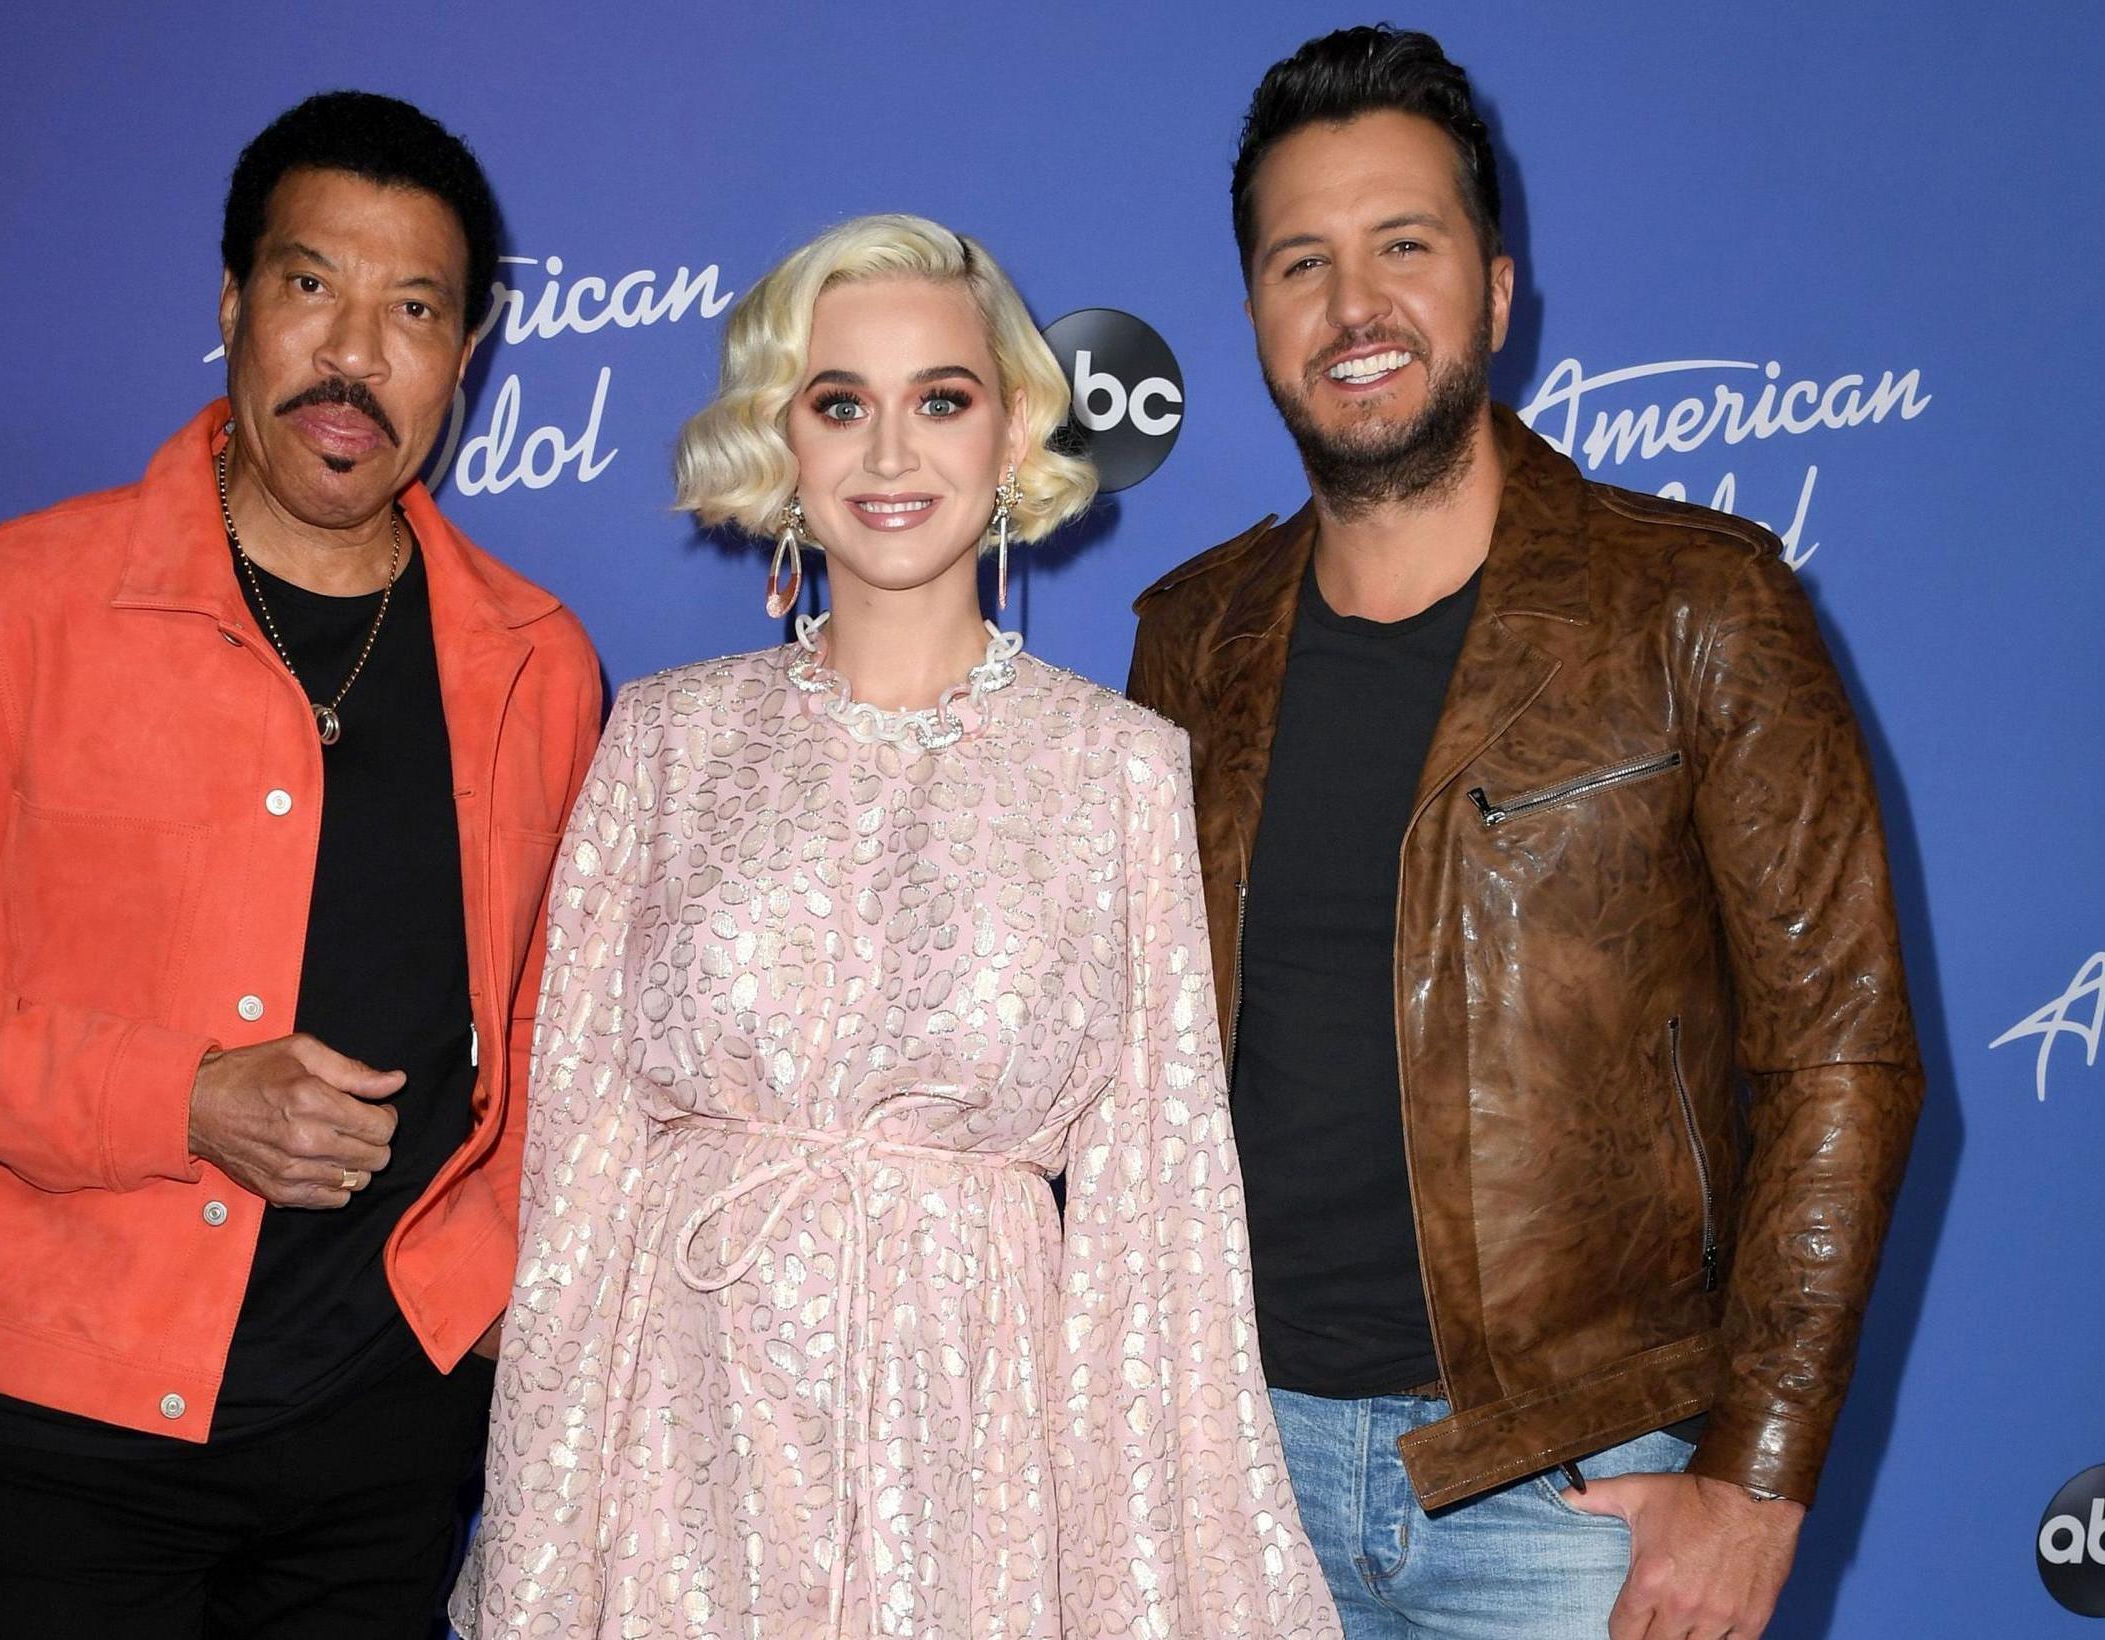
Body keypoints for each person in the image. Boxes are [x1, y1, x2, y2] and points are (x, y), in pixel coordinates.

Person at [0, 91, 601, 1638]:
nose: (355, 352)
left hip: (391, 1434)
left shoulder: (536, 663)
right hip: (75, 1424)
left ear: (467, 357)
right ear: (230, 308)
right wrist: (183, 1100)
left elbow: (545, 1041)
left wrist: (490, 1304)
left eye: (413, 308)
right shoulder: (16, 603)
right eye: (309, 286)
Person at [1127, 26, 1924, 1640]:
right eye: (1303, 262)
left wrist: (1758, 1478)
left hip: (1578, 1491)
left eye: (1402, 246)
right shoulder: (1187, 638)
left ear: (1495, 290)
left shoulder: (1698, 601)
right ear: (1260, 317)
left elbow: (1843, 1056)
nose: (1355, 306)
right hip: (1226, 1471)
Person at [458, 214, 1340, 1638]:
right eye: (838, 404)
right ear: (779, 444)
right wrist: (547, 1551)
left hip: (971, 1443)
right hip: (685, 1438)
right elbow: (578, 1173)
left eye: (941, 399)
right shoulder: (668, 739)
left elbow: (1156, 1212)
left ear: (1009, 437)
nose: (889, 454)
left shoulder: (1113, 769)